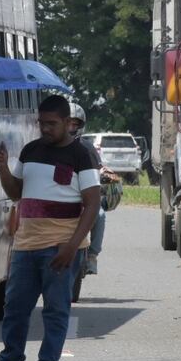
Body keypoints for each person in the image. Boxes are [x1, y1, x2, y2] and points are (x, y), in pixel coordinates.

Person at [0, 94, 101, 361]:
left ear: (67, 123)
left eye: (51, 124)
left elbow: (91, 204)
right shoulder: (31, 150)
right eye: (41, 124)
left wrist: (73, 246)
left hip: (61, 247)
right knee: (15, 310)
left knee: (55, 312)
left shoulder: (81, 155)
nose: (45, 129)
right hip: (26, 245)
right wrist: (3, 167)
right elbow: (16, 193)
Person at [68, 103, 114, 276]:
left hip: (84, 196)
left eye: (75, 124)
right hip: (60, 196)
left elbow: (99, 166)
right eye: (68, 123)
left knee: (99, 215)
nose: (72, 127)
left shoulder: (88, 148)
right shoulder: (49, 147)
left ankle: (92, 255)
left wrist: (105, 173)